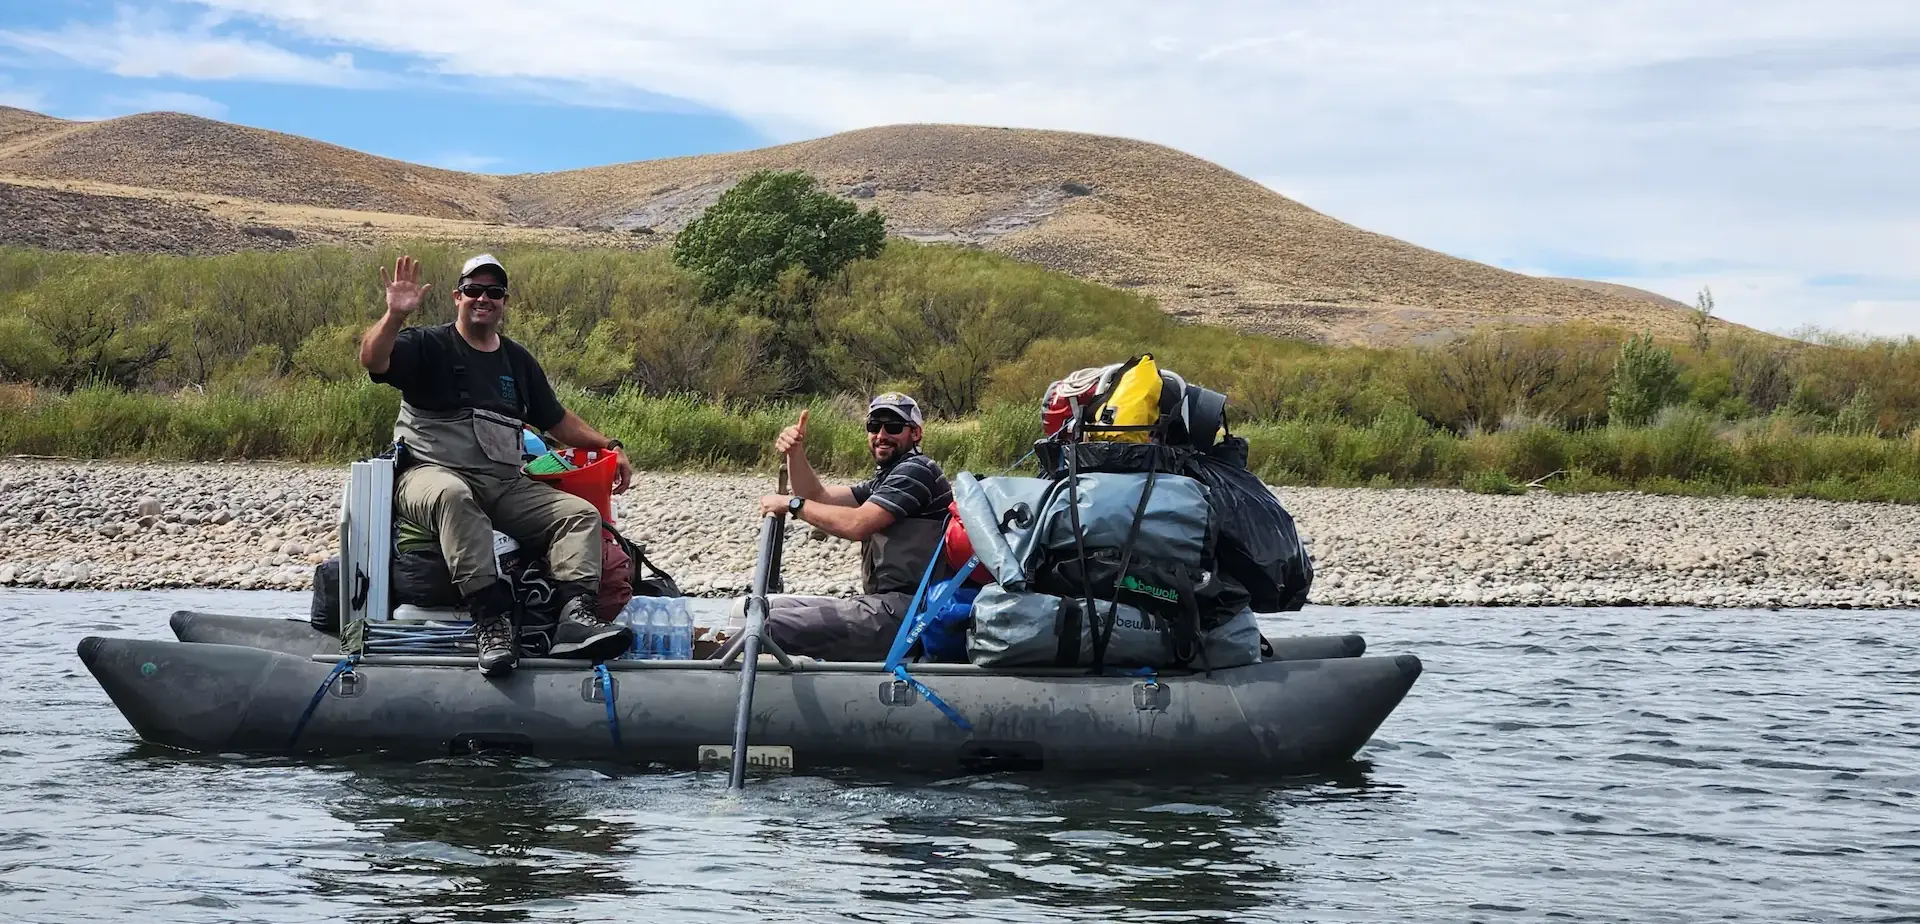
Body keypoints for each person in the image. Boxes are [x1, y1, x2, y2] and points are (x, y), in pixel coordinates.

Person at [359, 253, 636, 676]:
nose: (482, 298)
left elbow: (557, 420)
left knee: (578, 515)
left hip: (503, 483)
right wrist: (394, 315)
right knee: (454, 496)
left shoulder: (517, 361)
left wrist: (609, 446)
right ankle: (491, 622)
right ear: (457, 297)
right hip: (428, 475)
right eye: (473, 290)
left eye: (493, 292)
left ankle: (574, 619)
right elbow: (373, 360)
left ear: (504, 302)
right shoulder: (427, 344)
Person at [741, 393, 954, 661]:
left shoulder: (917, 472)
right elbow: (818, 497)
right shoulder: (888, 478)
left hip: (912, 613)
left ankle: (711, 681)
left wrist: (792, 504)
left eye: (894, 427)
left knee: (769, 626)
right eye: (874, 426)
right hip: (885, 605)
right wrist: (795, 453)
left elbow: (857, 525)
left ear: (916, 433)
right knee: (761, 608)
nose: (881, 434)